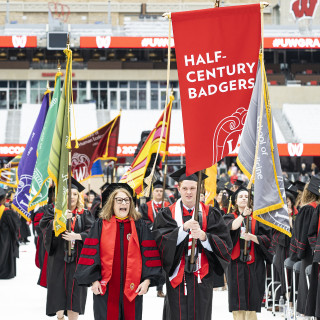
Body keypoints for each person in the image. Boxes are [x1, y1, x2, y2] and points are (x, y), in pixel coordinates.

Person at [152, 167, 233, 320]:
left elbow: (225, 244)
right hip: (176, 276)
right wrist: (182, 230)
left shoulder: (211, 213)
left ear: (199, 189)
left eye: (193, 188)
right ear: (179, 189)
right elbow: (159, 242)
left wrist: (204, 237)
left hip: (202, 276)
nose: (189, 192)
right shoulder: (168, 213)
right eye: (185, 188)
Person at [74, 183, 163, 320]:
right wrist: (94, 281)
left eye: (127, 200)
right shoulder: (100, 225)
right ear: (112, 203)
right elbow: (90, 253)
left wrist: (147, 281)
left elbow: (149, 254)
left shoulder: (139, 226)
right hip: (106, 288)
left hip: (133, 288)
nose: (124, 203)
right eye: (119, 200)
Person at [40, 177, 94, 319]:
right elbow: (43, 225)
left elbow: (93, 233)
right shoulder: (55, 211)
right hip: (58, 259)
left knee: (75, 296)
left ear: (79, 197)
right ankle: (60, 316)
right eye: (69, 194)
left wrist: (77, 236)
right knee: (58, 297)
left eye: (75, 194)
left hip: (77, 261)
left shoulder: (85, 214)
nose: (72, 197)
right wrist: (61, 218)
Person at [223, 186, 273, 320]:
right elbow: (231, 227)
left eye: (247, 196)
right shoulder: (229, 216)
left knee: (252, 300)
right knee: (237, 301)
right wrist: (243, 215)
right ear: (235, 202)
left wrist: (253, 237)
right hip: (235, 264)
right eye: (241, 196)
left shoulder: (260, 218)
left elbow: (268, 239)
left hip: (254, 263)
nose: (244, 198)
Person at [290, 176, 320, 316]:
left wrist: (298, 252)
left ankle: (306, 311)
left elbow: (300, 233)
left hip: (309, 251)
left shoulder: (308, 208)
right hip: (312, 251)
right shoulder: (311, 209)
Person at [139, 180, 170, 297]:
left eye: (161, 191)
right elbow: (142, 220)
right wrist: (154, 226)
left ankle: (160, 288)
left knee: (163, 263)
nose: (159, 193)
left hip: (165, 238)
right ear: (153, 192)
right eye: (157, 191)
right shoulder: (145, 206)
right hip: (150, 237)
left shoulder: (168, 206)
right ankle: (146, 283)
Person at [0, 187, 20, 279]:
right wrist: (15, 213)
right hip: (5, 239)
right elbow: (15, 226)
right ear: (4, 199)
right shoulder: (7, 212)